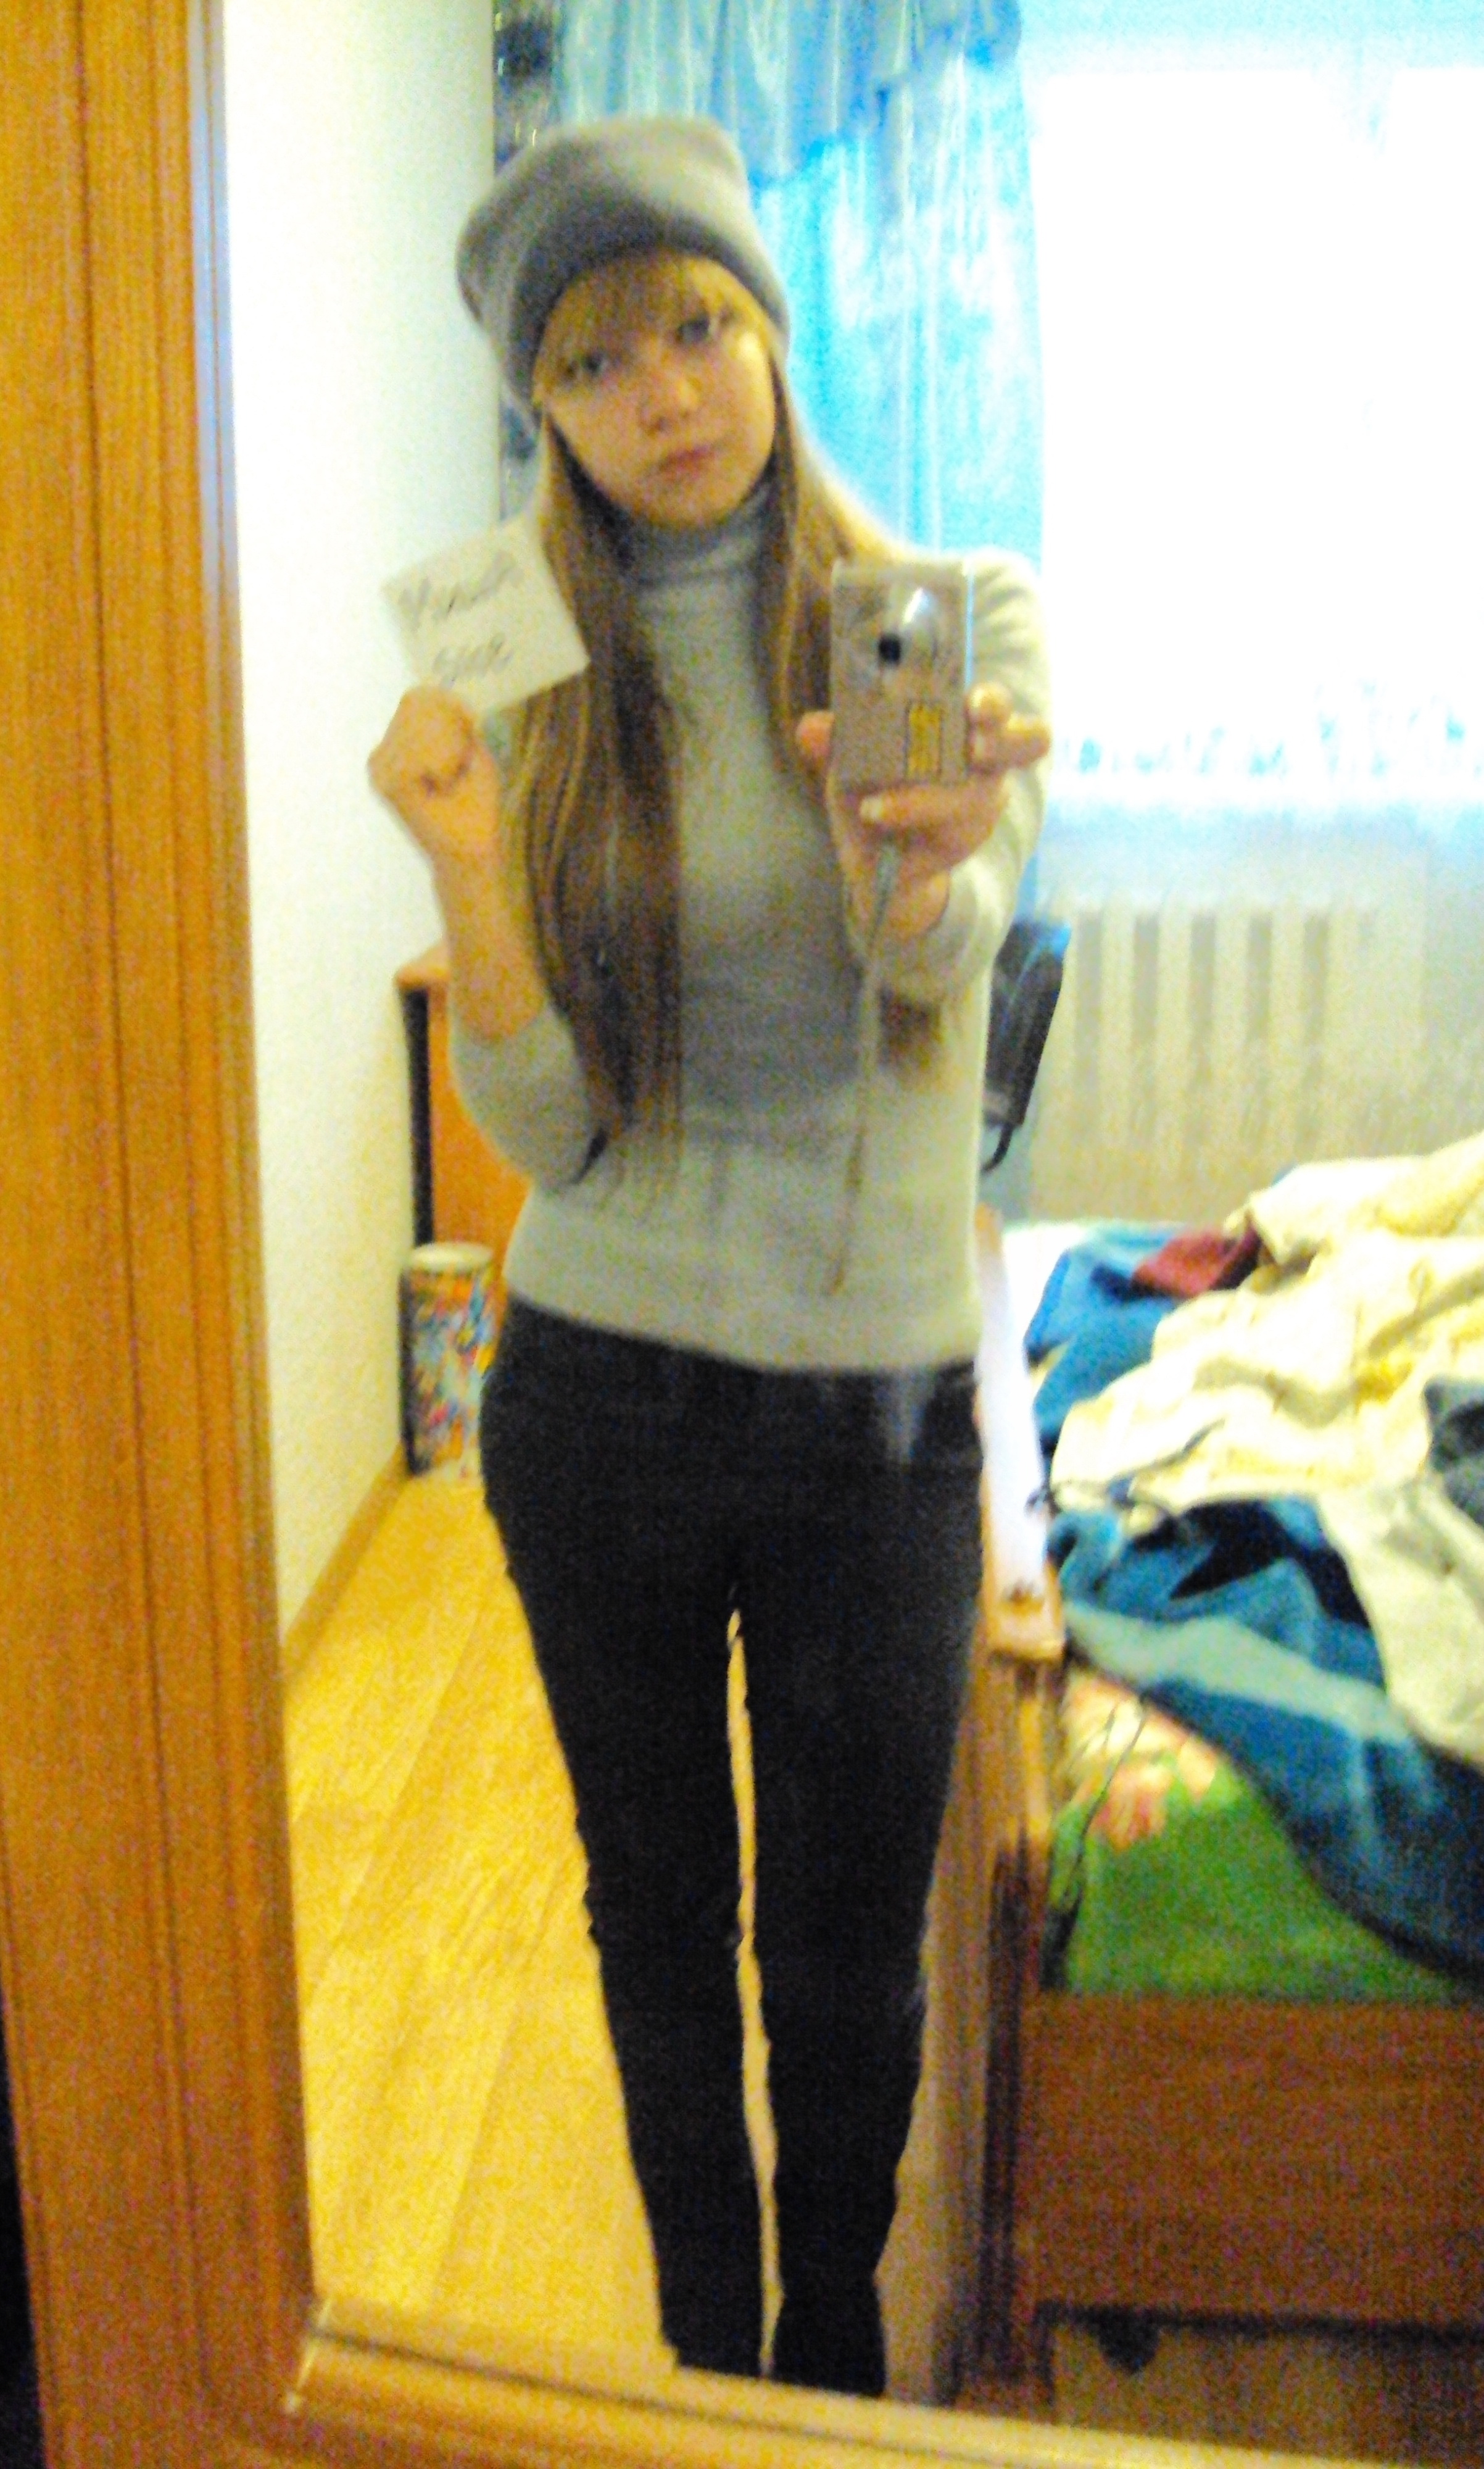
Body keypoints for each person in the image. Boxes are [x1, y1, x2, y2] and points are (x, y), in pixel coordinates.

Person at [368, 114, 1050, 2399]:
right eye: (589, 362)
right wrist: (469, 866)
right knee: (656, 1914)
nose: (661, 393)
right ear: (542, 412)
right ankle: (697, 2361)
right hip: (600, 1408)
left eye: (694, 325)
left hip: (876, 1415)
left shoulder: (947, 610)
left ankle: (823, 2353)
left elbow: (938, 971)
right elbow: (556, 1135)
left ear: (769, 326)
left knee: (847, 1953)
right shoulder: (528, 668)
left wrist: (914, 854)